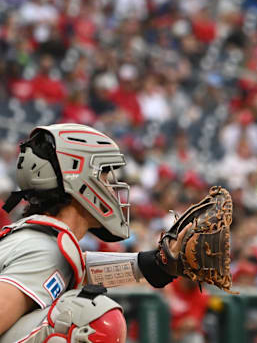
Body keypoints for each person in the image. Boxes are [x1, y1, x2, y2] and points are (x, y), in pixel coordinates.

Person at [0, 123, 186, 343]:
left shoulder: (43, 242)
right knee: (88, 316)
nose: (111, 189)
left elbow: (79, 266)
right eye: (105, 179)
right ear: (78, 179)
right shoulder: (43, 250)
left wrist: (153, 265)